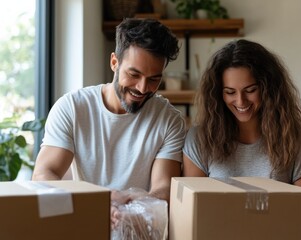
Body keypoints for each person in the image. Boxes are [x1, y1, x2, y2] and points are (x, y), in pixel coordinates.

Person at [32, 18, 186, 226]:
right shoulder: (72, 108)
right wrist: (95, 202)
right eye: (134, 74)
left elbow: (163, 187)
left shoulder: (169, 120)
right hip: (83, 222)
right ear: (114, 62)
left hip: (138, 226)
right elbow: (44, 173)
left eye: (153, 79)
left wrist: (135, 205)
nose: (142, 88)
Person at [183, 39, 301, 190]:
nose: (241, 101)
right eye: (230, 92)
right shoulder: (199, 139)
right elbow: (194, 207)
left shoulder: (296, 140)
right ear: (218, 94)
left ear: (268, 89)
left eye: (250, 90)